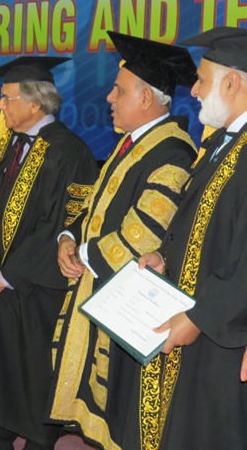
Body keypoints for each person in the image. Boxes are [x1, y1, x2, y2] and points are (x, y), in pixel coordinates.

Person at [47, 32, 198, 449]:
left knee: (123, 414)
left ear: (146, 98)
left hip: (131, 302)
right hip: (102, 284)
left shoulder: (174, 152)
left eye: (119, 90)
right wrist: (67, 237)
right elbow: (93, 204)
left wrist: (83, 253)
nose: (109, 98)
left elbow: (144, 232)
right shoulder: (133, 143)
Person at [0, 57, 99, 450]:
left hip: (38, 291)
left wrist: (7, 275)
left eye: (7, 99)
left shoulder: (69, 151)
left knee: (37, 373)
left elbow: (64, 224)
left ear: (35, 103)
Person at [136, 26, 247, 450]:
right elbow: (201, 224)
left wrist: (200, 316)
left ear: (232, 83)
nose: (194, 91)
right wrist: (165, 256)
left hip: (224, 333)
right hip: (198, 313)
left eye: (201, 80)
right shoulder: (222, 143)